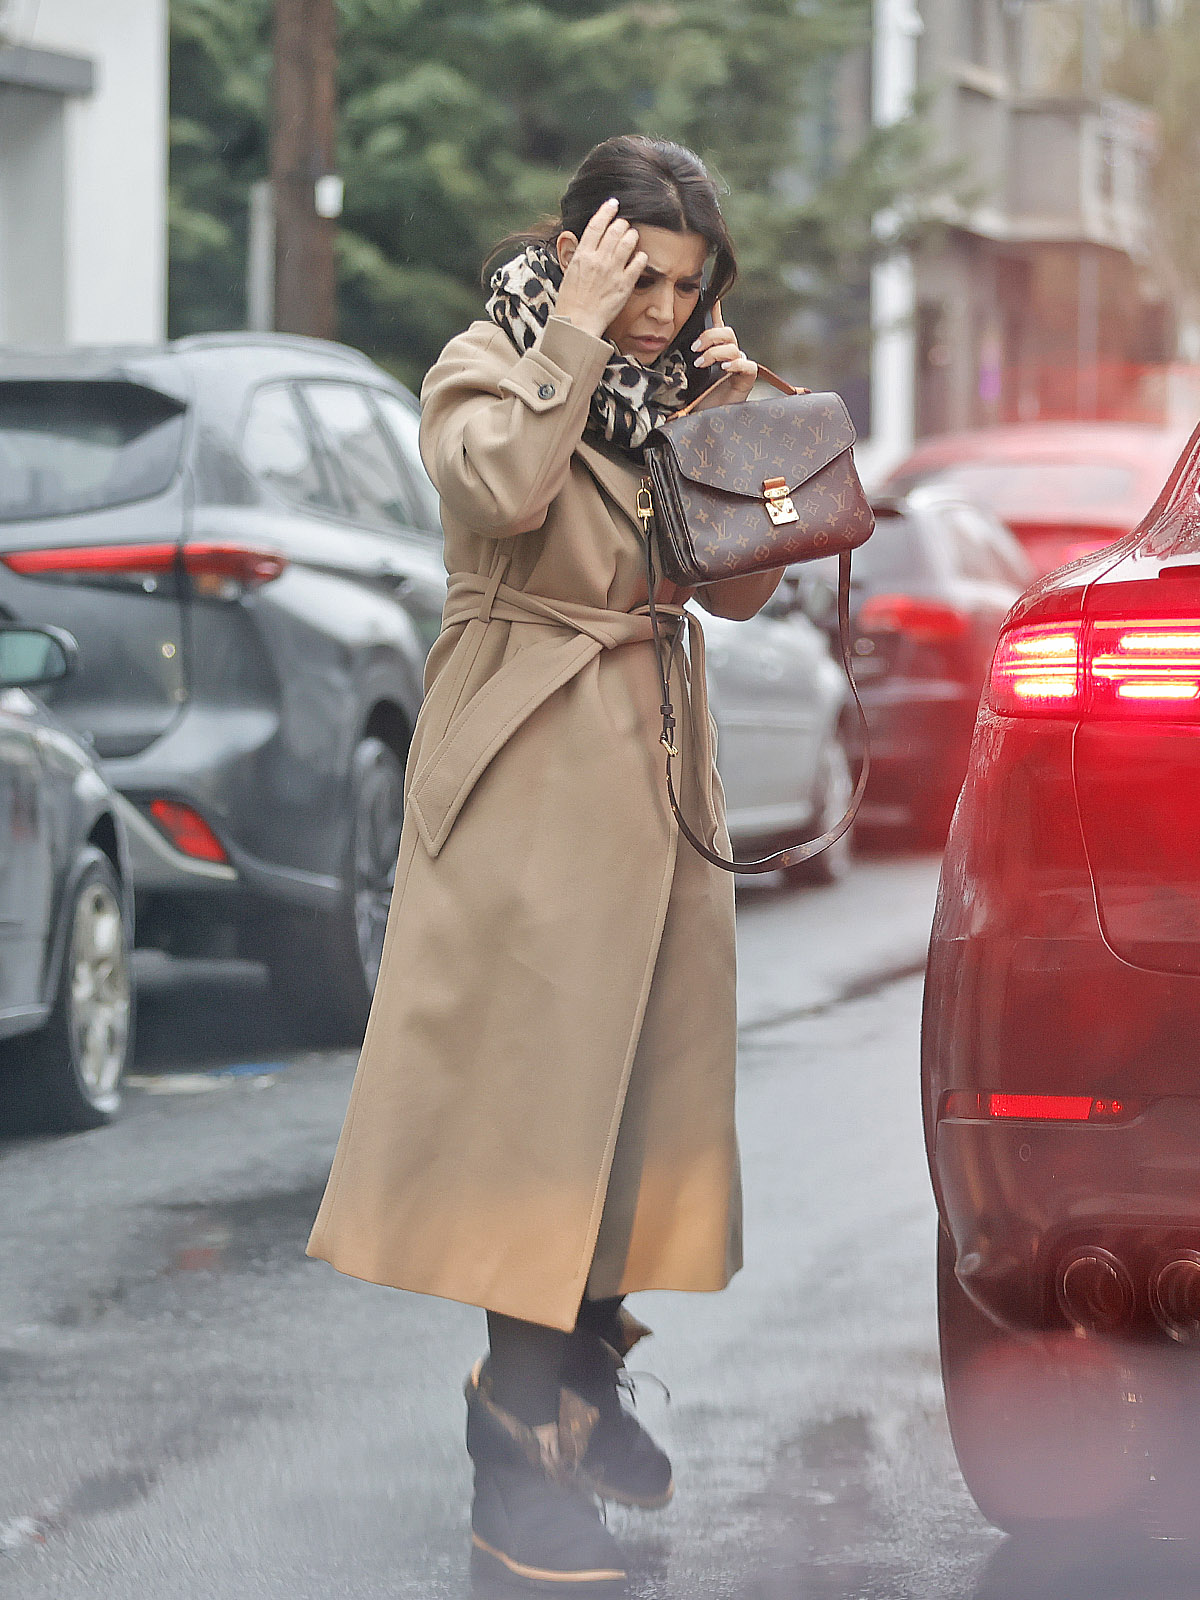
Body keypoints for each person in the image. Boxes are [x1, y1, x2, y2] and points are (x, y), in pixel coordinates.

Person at [307, 134, 786, 1591]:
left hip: (653, 780)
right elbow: (504, 492)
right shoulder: (487, 361)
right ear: (579, 249)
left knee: (635, 1109)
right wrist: (576, 335)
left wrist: (736, 414)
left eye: (686, 287)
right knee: (538, 1122)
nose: (662, 311)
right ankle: (518, 1466)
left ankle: (573, 1379)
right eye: (640, 278)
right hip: (525, 781)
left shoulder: (676, 391)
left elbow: (745, 588)